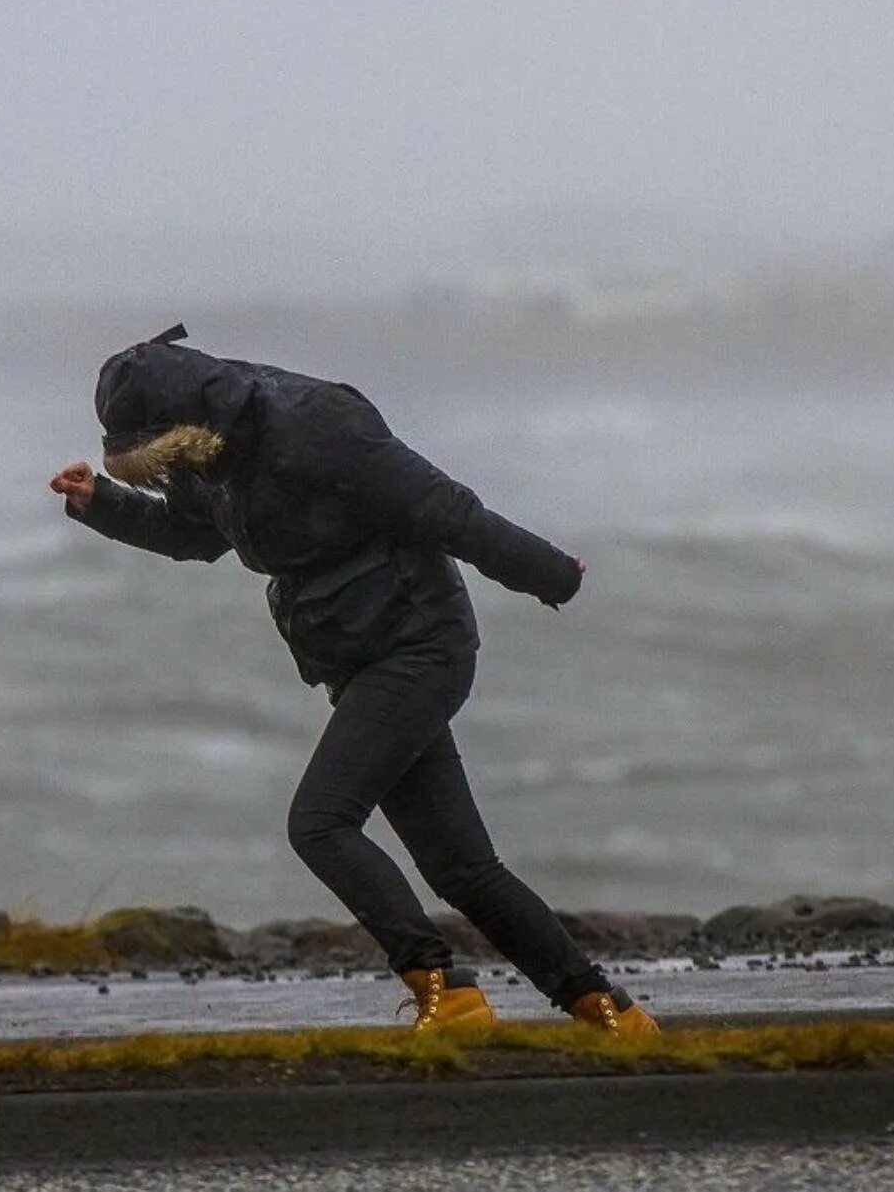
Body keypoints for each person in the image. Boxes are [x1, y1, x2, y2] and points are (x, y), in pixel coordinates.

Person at [49, 325, 657, 1036]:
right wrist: (103, 504)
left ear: (184, 421)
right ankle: (608, 1012)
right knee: (461, 867)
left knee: (320, 822)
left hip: (420, 641)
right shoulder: (207, 457)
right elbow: (200, 536)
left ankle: (449, 993)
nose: (166, 471)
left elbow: (447, 511)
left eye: (157, 460)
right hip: (357, 657)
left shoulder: (319, 424)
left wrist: (550, 573)